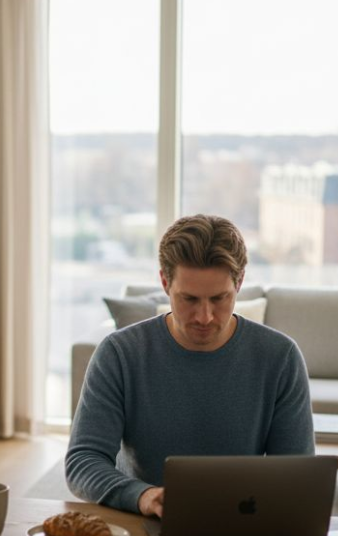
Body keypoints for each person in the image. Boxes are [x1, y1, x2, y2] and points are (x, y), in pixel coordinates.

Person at [65, 214, 313, 518]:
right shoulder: (119, 354)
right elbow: (83, 461)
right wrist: (143, 496)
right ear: (165, 282)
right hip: (145, 520)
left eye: (219, 298)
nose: (204, 317)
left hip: (245, 523)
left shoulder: (281, 357)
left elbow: (295, 476)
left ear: (239, 283)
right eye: (189, 299)